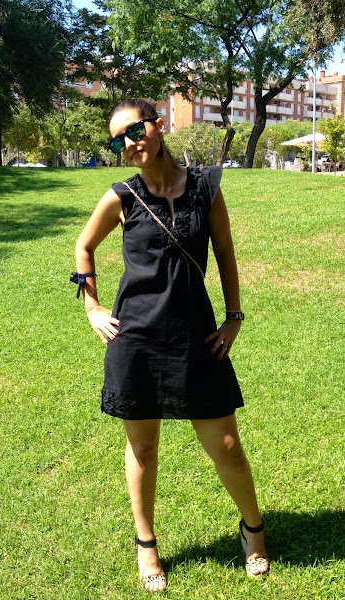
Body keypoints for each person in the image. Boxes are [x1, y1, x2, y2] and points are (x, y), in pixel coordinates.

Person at [72, 99, 269, 592]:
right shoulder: (121, 197)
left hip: (196, 336)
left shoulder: (205, 188)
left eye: (134, 130)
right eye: (117, 140)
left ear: (159, 125)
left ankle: (253, 529)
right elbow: (84, 246)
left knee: (228, 447)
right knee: (143, 448)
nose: (127, 143)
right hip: (136, 339)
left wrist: (234, 317)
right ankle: (146, 544)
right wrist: (92, 306)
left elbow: (224, 252)